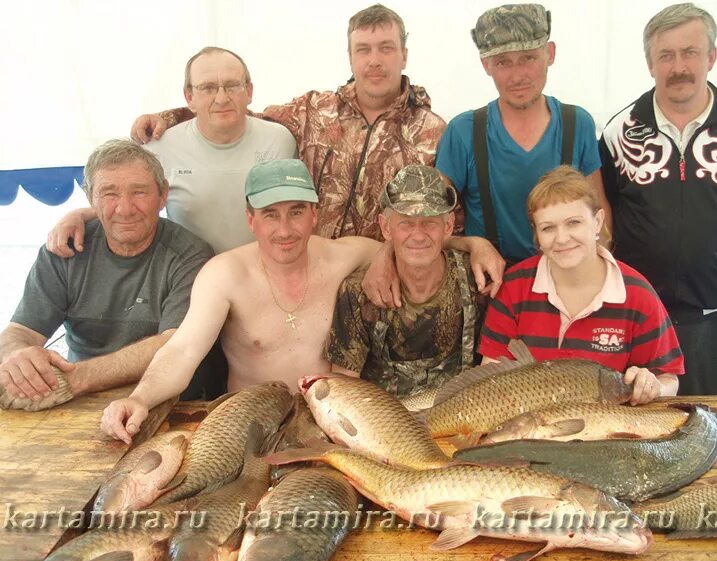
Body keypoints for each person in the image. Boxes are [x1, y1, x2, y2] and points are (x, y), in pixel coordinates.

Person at [130, 4, 446, 241]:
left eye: (386, 48)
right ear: (350, 57)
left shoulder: (432, 132)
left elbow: (444, 221)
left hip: (387, 283)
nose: (374, 60)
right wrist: (171, 116)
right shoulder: (313, 111)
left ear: (403, 55)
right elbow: (234, 110)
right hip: (313, 279)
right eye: (363, 50)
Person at [599, 3, 717, 395]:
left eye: (690, 52)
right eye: (666, 55)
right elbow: (608, 214)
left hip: (711, 315)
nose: (678, 66)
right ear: (650, 64)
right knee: (637, 421)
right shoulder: (620, 133)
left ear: (711, 57)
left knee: (703, 418)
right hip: (640, 313)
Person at [0, 140, 213, 406]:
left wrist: (77, 378)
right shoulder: (65, 249)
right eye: (109, 193)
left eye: (139, 192)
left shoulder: (190, 255)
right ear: (90, 198)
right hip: (74, 401)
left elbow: (174, 344)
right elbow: (21, 330)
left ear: (163, 195)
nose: (124, 209)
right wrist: (17, 357)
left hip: (163, 403)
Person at [48, 46, 297, 255]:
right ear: (189, 96)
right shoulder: (160, 147)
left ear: (249, 91)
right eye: (208, 88)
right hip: (187, 278)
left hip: (264, 278)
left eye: (232, 86)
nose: (221, 98)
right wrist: (80, 215)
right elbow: (132, 201)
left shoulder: (280, 141)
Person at [479, 166, 683, 405]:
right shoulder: (515, 287)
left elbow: (669, 377)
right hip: (529, 427)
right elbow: (489, 374)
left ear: (597, 222)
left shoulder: (637, 294)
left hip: (606, 430)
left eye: (573, 223)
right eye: (548, 228)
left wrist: (652, 386)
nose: (562, 238)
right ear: (536, 234)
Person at [436, 3, 611, 265]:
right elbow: (430, 224)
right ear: (486, 65)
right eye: (504, 62)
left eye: (528, 58)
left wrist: (591, 274)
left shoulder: (577, 124)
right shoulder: (464, 131)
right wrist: (474, 245)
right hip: (492, 285)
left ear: (550, 53)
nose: (517, 76)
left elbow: (600, 218)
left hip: (565, 276)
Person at [326, 165, 485, 396]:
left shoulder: (477, 282)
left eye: (429, 222)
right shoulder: (357, 292)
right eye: (406, 223)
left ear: (448, 226)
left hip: (459, 421)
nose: (418, 235)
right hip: (386, 424)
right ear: (385, 227)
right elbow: (343, 387)